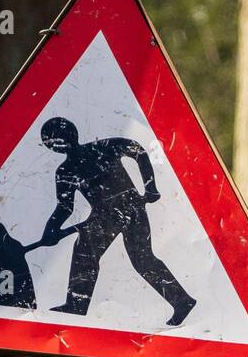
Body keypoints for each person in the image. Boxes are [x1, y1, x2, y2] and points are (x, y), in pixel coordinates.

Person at [36, 117, 196, 326]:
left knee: (138, 259)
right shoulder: (65, 171)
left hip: (129, 207)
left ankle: (181, 300)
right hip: (106, 214)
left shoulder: (103, 148)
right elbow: (65, 207)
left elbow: (137, 150)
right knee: (91, 252)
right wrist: (50, 230)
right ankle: (76, 305)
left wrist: (150, 186)